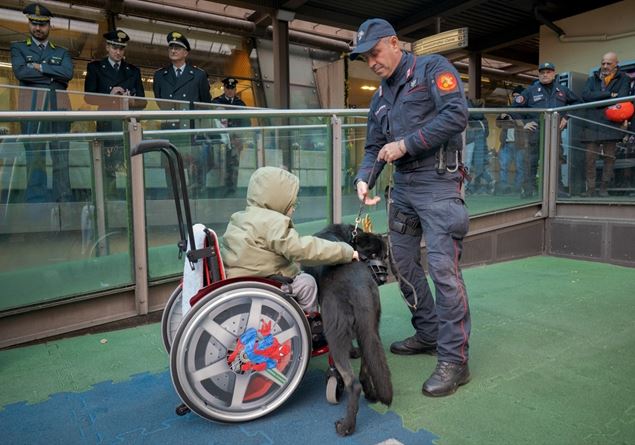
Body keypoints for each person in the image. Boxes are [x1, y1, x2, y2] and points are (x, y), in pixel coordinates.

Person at [351, 18, 471, 397]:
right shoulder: (380, 95)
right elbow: (373, 147)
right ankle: (429, 332)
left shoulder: (433, 69)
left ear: (394, 43)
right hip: (402, 189)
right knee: (402, 264)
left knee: (443, 271)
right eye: (365, 57)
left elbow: (455, 115)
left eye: (374, 53)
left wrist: (405, 145)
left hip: (438, 185)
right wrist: (364, 177)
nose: (371, 62)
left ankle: (455, 360)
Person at [221, 166, 359, 342]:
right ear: (277, 199)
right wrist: (345, 251)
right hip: (264, 285)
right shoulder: (273, 222)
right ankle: (308, 327)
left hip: (238, 282)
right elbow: (302, 249)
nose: (293, 208)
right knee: (307, 282)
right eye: (291, 203)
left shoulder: (240, 217)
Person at [10, 3, 73, 203]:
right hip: (32, 109)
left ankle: (63, 200)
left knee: (61, 157)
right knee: (35, 158)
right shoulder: (18, 48)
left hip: (59, 109)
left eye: (42, 24)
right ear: (29, 24)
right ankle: (37, 203)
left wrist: (38, 67)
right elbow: (21, 73)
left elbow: (68, 74)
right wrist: (53, 77)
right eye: (34, 23)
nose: (38, 28)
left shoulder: (62, 52)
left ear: (49, 26)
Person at [84, 30, 146, 199]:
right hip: (107, 123)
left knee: (130, 165)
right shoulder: (95, 67)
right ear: (107, 47)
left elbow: (143, 101)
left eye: (121, 48)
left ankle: (132, 199)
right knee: (107, 167)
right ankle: (107, 199)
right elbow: (88, 97)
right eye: (114, 47)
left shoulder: (133, 70)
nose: (118, 52)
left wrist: (132, 101)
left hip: (127, 124)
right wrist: (108, 94)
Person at [153, 31, 211, 195]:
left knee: (195, 176)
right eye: (171, 47)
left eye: (178, 48)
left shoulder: (198, 75)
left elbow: (205, 104)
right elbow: (160, 101)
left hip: (190, 133)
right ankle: (173, 206)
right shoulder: (160, 75)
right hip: (170, 131)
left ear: (186, 52)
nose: (173, 50)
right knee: (171, 173)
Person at [512, 62, 581, 197]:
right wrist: (523, 124)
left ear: (554, 74)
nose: (545, 74)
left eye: (548, 72)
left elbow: (578, 102)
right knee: (531, 161)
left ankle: (557, 190)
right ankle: (528, 191)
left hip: (555, 132)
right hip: (535, 132)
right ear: (538, 75)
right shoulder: (530, 91)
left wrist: (566, 117)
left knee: (556, 160)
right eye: (542, 72)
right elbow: (514, 108)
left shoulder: (562, 90)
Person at [580, 52, 631, 197]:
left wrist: (600, 95)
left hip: (611, 124)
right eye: (603, 63)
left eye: (609, 63)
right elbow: (585, 96)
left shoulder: (624, 78)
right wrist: (609, 94)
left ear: (616, 64)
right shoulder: (592, 78)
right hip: (592, 123)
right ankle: (590, 190)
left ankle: (604, 189)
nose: (605, 66)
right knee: (589, 159)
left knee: (609, 158)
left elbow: (622, 97)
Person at [213, 77, 248, 195]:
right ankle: (220, 187)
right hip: (221, 139)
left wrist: (241, 138)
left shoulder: (240, 104)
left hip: (235, 140)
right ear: (224, 88)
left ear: (235, 89)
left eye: (232, 88)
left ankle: (232, 187)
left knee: (234, 163)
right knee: (220, 163)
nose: (230, 91)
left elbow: (246, 123)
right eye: (228, 88)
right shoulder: (217, 101)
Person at [496, 86, 527, 195]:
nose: (515, 98)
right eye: (513, 96)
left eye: (517, 96)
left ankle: (517, 190)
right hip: (506, 144)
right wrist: (502, 117)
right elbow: (498, 124)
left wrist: (512, 119)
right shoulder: (508, 109)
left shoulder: (526, 109)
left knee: (520, 168)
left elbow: (522, 124)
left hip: (520, 144)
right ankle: (504, 189)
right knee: (503, 167)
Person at [465, 97, 494, 195]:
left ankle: (472, 187)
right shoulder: (480, 118)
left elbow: (486, 132)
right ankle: (473, 186)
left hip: (476, 141)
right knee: (474, 164)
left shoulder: (480, 118)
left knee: (477, 164)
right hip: (472, 141)